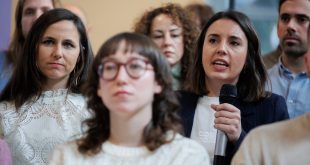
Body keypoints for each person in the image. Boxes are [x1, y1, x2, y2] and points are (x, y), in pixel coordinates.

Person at [48, 32, 210, 165]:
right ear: (99, 86)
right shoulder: (67, 156)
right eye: (110, 67)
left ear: (158, 82)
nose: (121, 78)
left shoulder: (187, 156)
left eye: (135, 66)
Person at [178, 11, 289, 164]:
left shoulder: (271, 108)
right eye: (213, 40)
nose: (221, 49)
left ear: (247, 58)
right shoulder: (174, 102)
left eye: (234, 43)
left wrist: (239, 137)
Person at [0, 8, 93, 165]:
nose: (58, 53)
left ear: (80, 54)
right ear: (33, 48)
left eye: (68, 44)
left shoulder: (95, 111)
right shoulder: (4, 113)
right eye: (48, 42)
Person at [133, 3, 199, 90]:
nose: (167, 42)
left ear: (186, 39)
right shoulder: (136, 78)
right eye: (158, 36)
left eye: (174, 35)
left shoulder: (199, 79)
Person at [0, 0, 58, 92]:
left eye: (46, 11)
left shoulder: (70, 67)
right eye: (29, 12)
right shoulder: (2, 61)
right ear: (20, 23)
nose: (38, 18)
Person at [267, 0, 310, 118]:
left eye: (302, 19)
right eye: (285, 18)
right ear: (277, 26)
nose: (290, 26)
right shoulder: (259, 84)